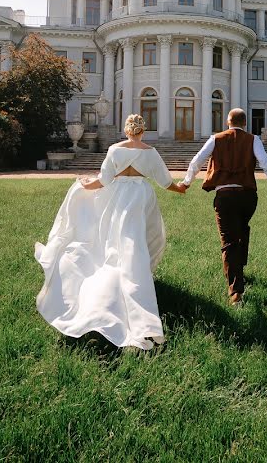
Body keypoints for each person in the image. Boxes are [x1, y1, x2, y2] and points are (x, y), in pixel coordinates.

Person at [34, 114, 186, 350]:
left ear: (127, 130)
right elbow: (165, 182)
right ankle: (133, 284)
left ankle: (116, 284)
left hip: (117, 197)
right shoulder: (150, 152)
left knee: (117, 241)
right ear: (143, 131)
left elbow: (103, 180)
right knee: (137, 241)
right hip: (140, 196)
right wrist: (181, 189)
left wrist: (84, 184)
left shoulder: (115, 149)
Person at [178, 108, 267, 306]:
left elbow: (197, 161)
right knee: (242, 230)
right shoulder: (253, 139)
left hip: (225, 197)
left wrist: (186, 183)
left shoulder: (216, 138)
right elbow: (266, 163)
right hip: (248, 197)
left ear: (228, 122)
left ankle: (236, 292)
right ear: (244, 123)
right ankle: (240, 269)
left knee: (229, 241)